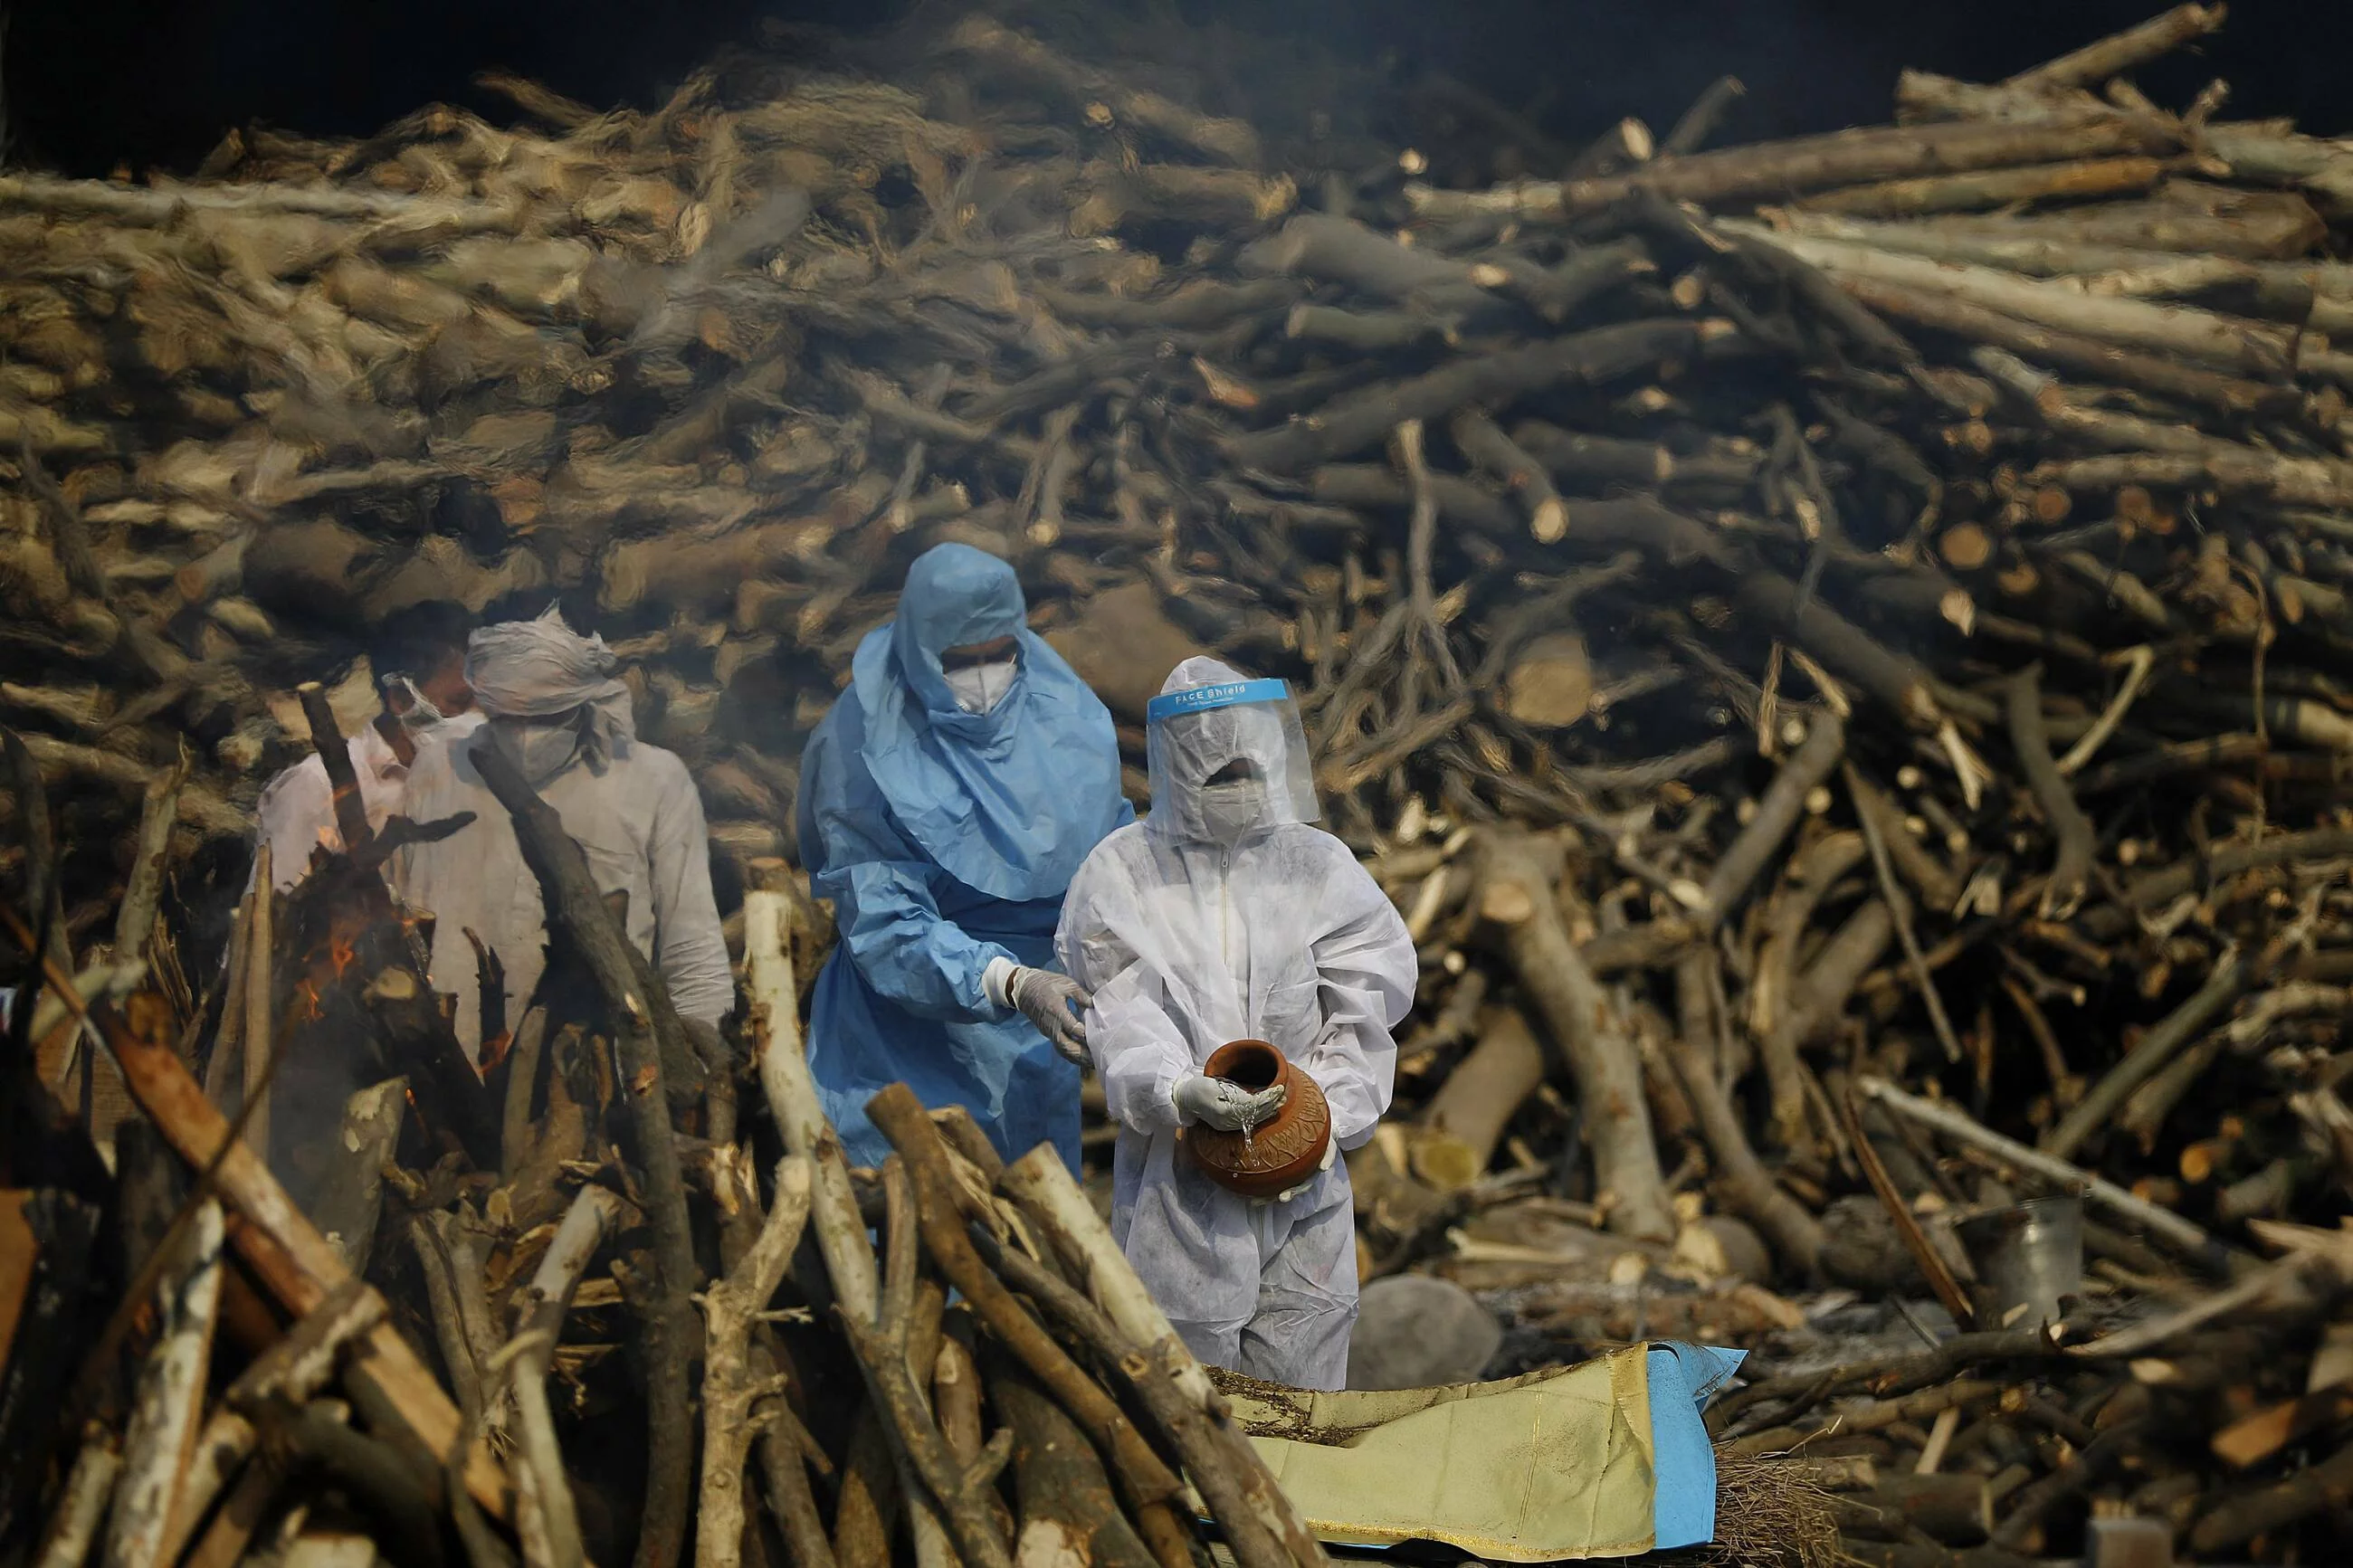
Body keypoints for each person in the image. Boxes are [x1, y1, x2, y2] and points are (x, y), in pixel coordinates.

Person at [1055, 657, 1415, 1390]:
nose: (1242, 790)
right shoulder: (1123, 873)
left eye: (1254, 769)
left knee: (1304, 1379)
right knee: (1187, 1390)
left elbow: (1367, 1001)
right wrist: (1177, 1088)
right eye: (1221, 775)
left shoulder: (1316, 865)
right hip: (1180, 1179)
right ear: (1178, 770)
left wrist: (1322, 1122)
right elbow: (1121, 1010)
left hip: (1305, 1178)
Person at [796, 542, 1131, 1172]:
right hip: (900, 1046)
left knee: (1039, 1236)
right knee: (913, 1234)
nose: (984, 675)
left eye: (999, 654)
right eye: (959, 660)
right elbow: (885, 922)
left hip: (1038, 1036)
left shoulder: (1064, 714)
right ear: (920, 648)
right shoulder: (862, 740)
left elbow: (1112, 863)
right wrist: (1011, 981)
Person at [390, 605, 732, 1062]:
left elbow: (691, 948)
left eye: (548, 716)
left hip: (593, 1069)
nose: (527, 735)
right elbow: (402, 910)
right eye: (508, 718)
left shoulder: (653, 780)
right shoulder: (440, 766)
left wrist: (701, 1070)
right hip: (451, 1060)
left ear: (582, 703)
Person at [252, 600, 481, 890]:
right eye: (460, 701)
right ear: (401, 698)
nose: (480, 718)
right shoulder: (314, 788)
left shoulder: (467, 783)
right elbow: (274, 915)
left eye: (487, 701)